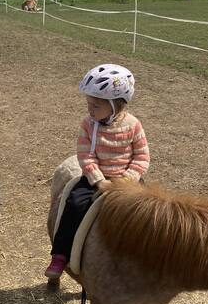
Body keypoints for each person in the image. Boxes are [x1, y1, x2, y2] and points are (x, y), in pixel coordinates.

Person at [44, 63, 150, 278]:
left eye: (95, 106)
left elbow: (141, 156)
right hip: (96, 178)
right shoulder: (88, 125)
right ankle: (60, 254)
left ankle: (146, 257)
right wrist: (98, 180)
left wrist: (126, 180)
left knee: (148, 213)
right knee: (74, 203)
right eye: (89, 104)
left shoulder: (133, 125)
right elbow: (86, 155)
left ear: (116, 105)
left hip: (127, 180)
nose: (90, 110)